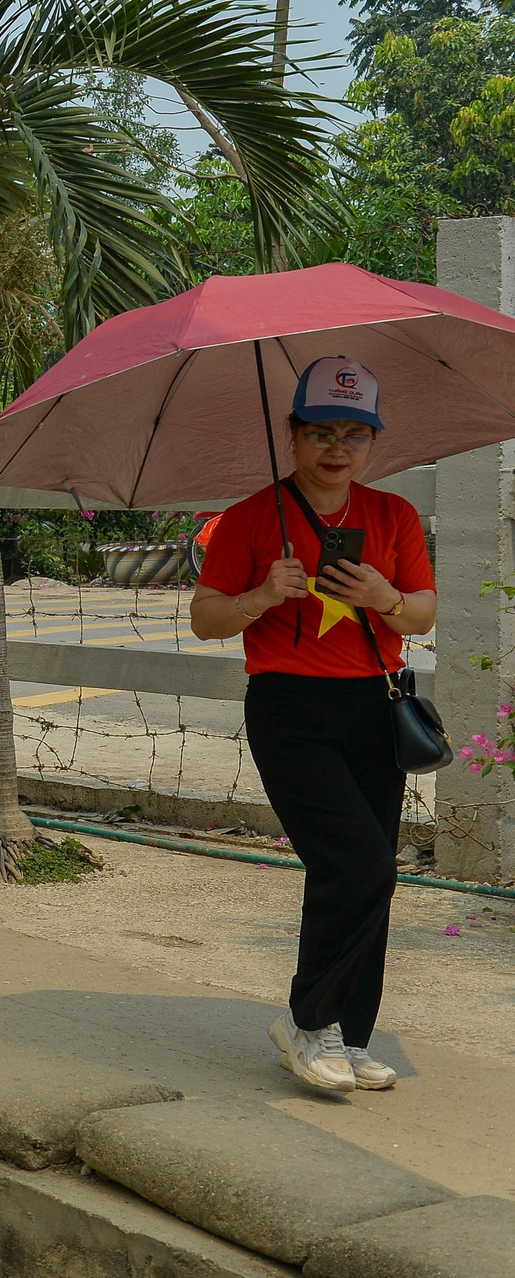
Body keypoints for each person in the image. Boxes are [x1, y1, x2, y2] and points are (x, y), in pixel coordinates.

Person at [191, 356, 434, 1094]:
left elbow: (422, 612)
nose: (338, 448)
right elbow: (206, 619)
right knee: (359, 864)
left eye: (355, 434)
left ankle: (350, 1036)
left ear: (372, 442)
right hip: (291, 710)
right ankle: (308, 1022)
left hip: (375, 707)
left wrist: (386, 595)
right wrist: (262, 594)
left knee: (368, 876)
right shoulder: (251, 518)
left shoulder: (392, 515)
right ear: (292, 434)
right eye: (322, 431)